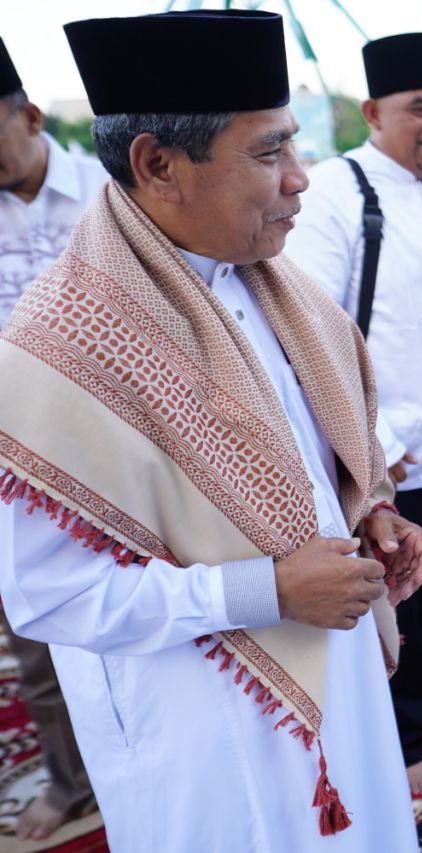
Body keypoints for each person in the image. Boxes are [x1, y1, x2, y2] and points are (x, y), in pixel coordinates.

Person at [0, 11, 422, 849]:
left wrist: (368, 508)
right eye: (269, 153)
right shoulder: (59, 346)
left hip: (330, 672)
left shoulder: (279, 290)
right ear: (159, 165)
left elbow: (314, 464)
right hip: (204, 730)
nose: (302, 178)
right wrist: (264, 589)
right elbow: (45, 593)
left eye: (293, 146)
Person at [287, 31, 422, 797]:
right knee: (400, 591)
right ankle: (406, 736)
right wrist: (374, 442)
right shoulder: (337, 193)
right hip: (391, 448)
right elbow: (312, 327)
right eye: (420, 108)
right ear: (374, 110)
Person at [0, 35, 104, 842]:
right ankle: (73, 779)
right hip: (12, 456)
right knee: (33, 624)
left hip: (116, 447)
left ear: (31, 115)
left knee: (150, 610)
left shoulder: (114, 193)